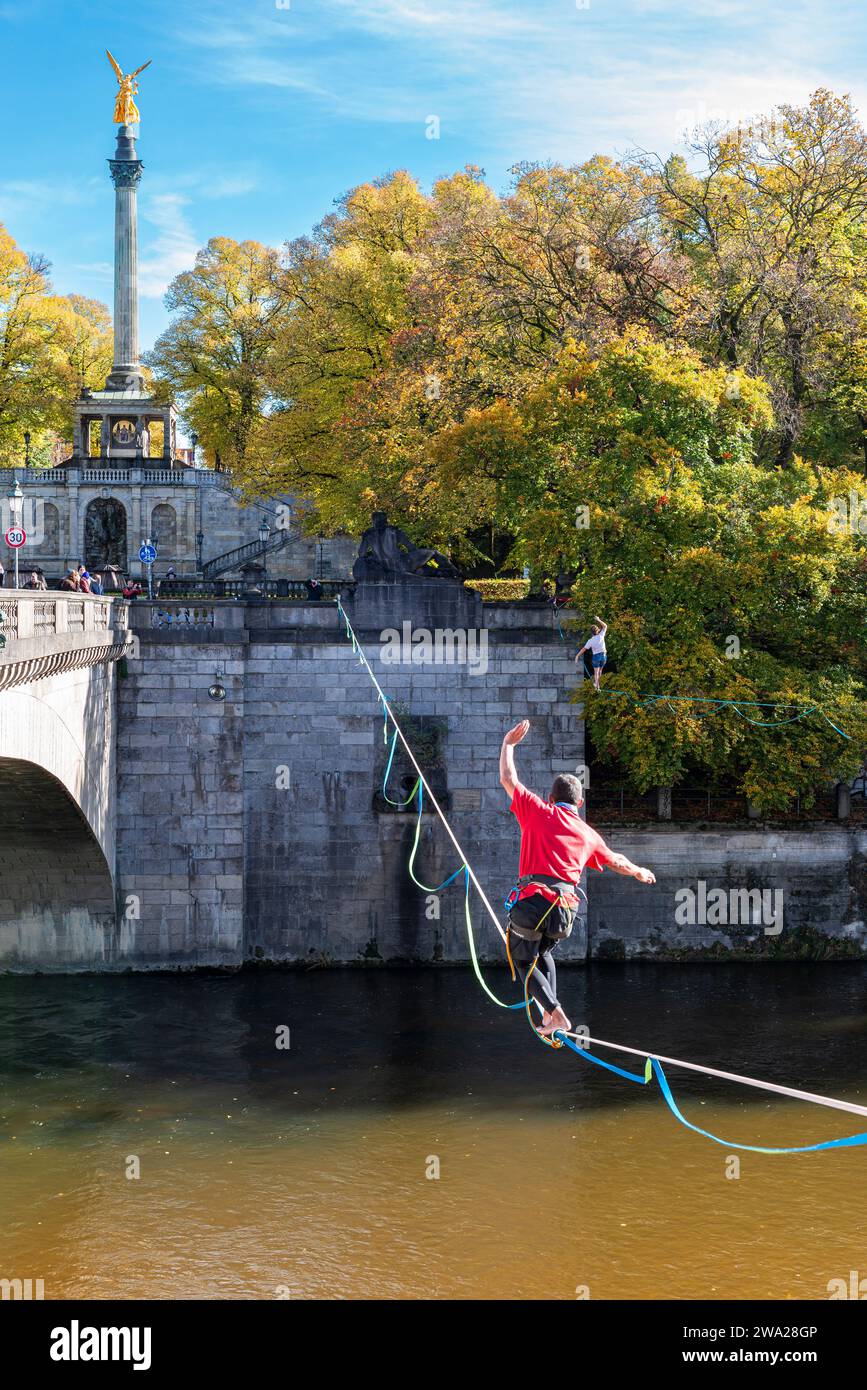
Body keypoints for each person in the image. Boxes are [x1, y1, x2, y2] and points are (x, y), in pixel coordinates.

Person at [499, 719, 656, 1036]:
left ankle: (554, 1012)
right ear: (579, 804)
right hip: (565, 913)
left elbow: (508, 778)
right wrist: (639, 870)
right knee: (542, 953)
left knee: (521, 959)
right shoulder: (588, 833)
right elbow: (617, 860)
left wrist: (509, 745)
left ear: (550, 796)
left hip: (534, 902)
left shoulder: (537, 810)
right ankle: (549, 1016)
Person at [575, 616, 608, 690]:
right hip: (603, 655)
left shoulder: (590, 641)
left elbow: (584, 649)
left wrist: (577, 656)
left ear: (591, 633)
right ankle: (597, 686)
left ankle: (597, 685)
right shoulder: (601, 635)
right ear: (598, 631)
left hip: (596, 657)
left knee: (596, 672)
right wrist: (598, 620)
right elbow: (605, 626)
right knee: (600, 671)